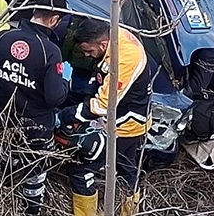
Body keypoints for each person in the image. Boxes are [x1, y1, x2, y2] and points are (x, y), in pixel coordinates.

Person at [0, 0, 71, 216]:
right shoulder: (51, 52)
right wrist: (65, 79)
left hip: (4, 119)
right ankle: (31, 210)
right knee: (35, 174)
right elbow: (55, 98)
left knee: (5, 162)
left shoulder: (4, 37)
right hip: (36, 126)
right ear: (54, 20)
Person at [56, 19, 153, 216]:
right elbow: (99, 82)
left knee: (81, 172)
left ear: (102, 44)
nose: (86, 55)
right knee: (127, 171)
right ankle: (131, 211)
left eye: (89, 52)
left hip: (124, 126)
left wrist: (67, 115)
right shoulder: (113, 39)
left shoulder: (125, 58)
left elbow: (102, 105)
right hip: (130, 119)